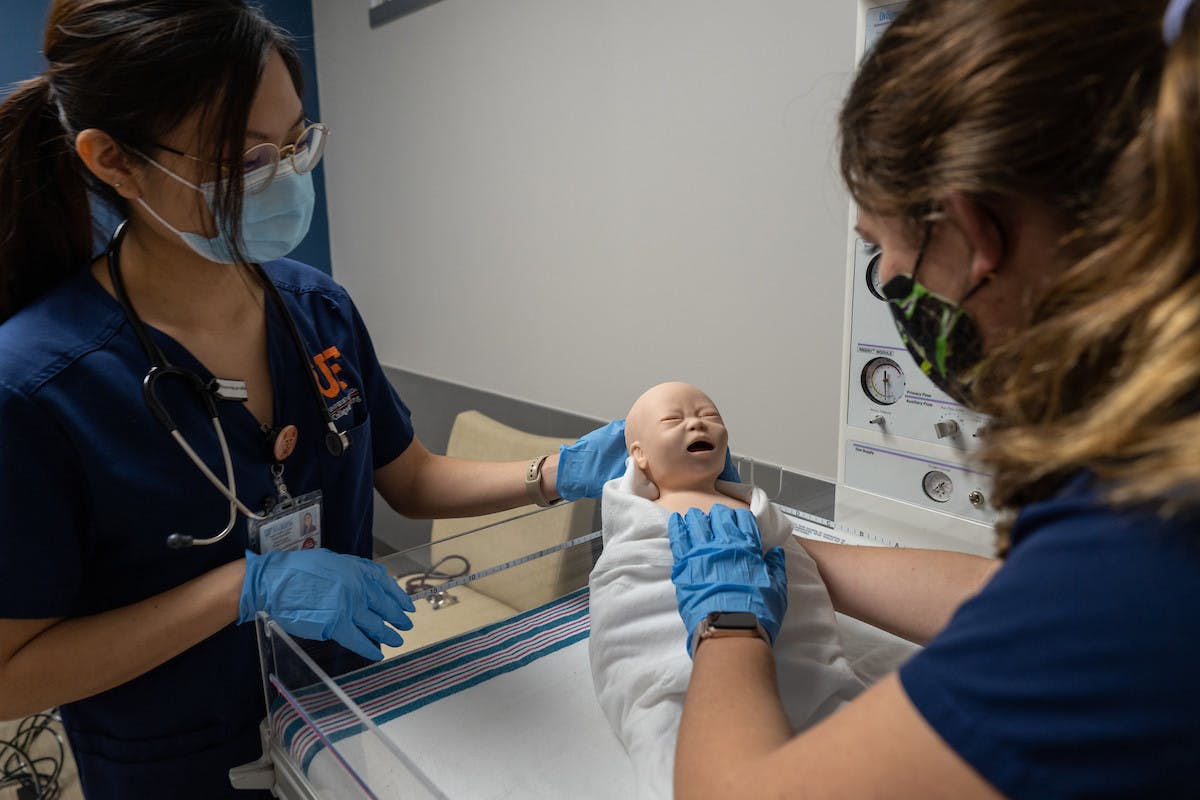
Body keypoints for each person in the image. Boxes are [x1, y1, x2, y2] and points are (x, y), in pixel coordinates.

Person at [0, 3, 619, 797]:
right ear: (113, 160)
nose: (288, 176)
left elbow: (411, 479)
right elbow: (13, 677)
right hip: (181, 768)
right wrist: (245, 587)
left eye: (296, 142)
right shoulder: (37, 389)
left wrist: (557, 472)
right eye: (247, 158)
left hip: (348, 722)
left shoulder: (315, 309)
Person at [664, 1, 1200, 797]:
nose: (886, 282)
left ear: (972, 231)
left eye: (881, 248)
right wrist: (787, 546)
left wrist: (729, 613)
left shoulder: (1149, 547)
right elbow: (1029, 598)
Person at [589, 382, 867, 799]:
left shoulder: (753, 506)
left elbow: (800, 576)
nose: (696, 422)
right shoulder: (640, 524)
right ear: (639, 456)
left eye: (709, 416)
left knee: (843, 729)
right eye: (673, 419)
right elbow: (626, 597)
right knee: (668, 730)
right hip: (680, 663)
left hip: (779, 649)